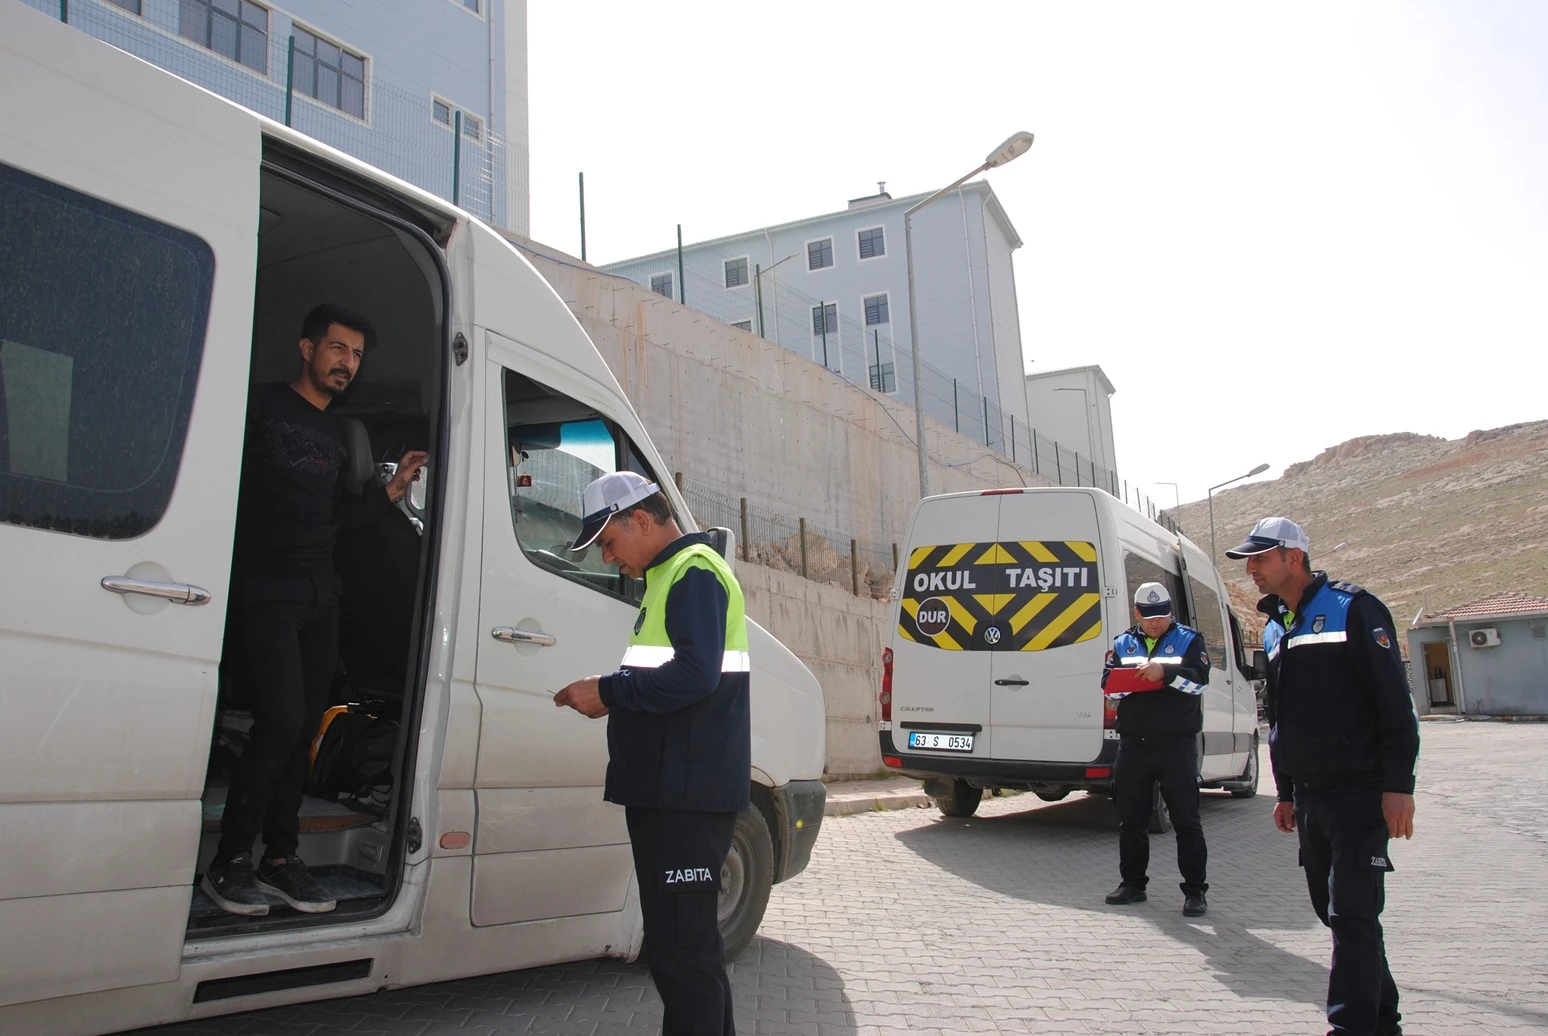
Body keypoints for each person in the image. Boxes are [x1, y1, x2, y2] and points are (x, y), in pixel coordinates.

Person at [202, 303, 427, 916]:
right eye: (337, 349)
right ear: (307, 349)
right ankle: (228, 866)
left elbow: (340, 523)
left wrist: (391, 491)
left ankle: (280, 860)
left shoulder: (337, 435)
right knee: (276, 723)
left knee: (302, 728)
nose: (346, 363)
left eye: (355, 355)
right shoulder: (262, 406)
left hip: (319, 594)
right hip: (265, 587)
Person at [554, 471, 749, 1036]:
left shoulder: (693, 574)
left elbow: (693, 675)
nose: (610, 558)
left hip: (685, 796)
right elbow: (672, 675)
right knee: (690, 954)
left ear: (640, 520)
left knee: (682, 956)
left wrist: (607, 691)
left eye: (609, 543)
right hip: (674, 791)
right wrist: (610, 687)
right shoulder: (671, 577)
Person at [1226, 516, 1418, 1036]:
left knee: (1353, 914)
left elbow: (1394, 706)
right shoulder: (1273, 627)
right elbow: (1282, 718)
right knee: (1336, 914)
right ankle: (1383, 1020)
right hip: (1309, 799)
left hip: (1360, 794)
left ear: (1294, 557)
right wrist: (1285, 792)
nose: (1253, 571)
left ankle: (1349, 1026)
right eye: (1249, 562)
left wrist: (1399, 787)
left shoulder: (1353, 608)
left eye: (1261, 559)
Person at [1101, 581, 1211, 916]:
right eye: (1148, 616)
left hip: (1175, 745)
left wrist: (1164, 673)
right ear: (1137, 613)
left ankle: (1195, 892)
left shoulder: (1189, 640)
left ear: (1170, 612)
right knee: (1131, 820)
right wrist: (1125, 682)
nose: (1154, 622)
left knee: (1186, 821)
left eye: (1161, 615)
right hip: (1134, 745)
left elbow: (1199, 680)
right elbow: (1107, 685)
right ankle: (1133, 884)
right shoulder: (1123, 642)